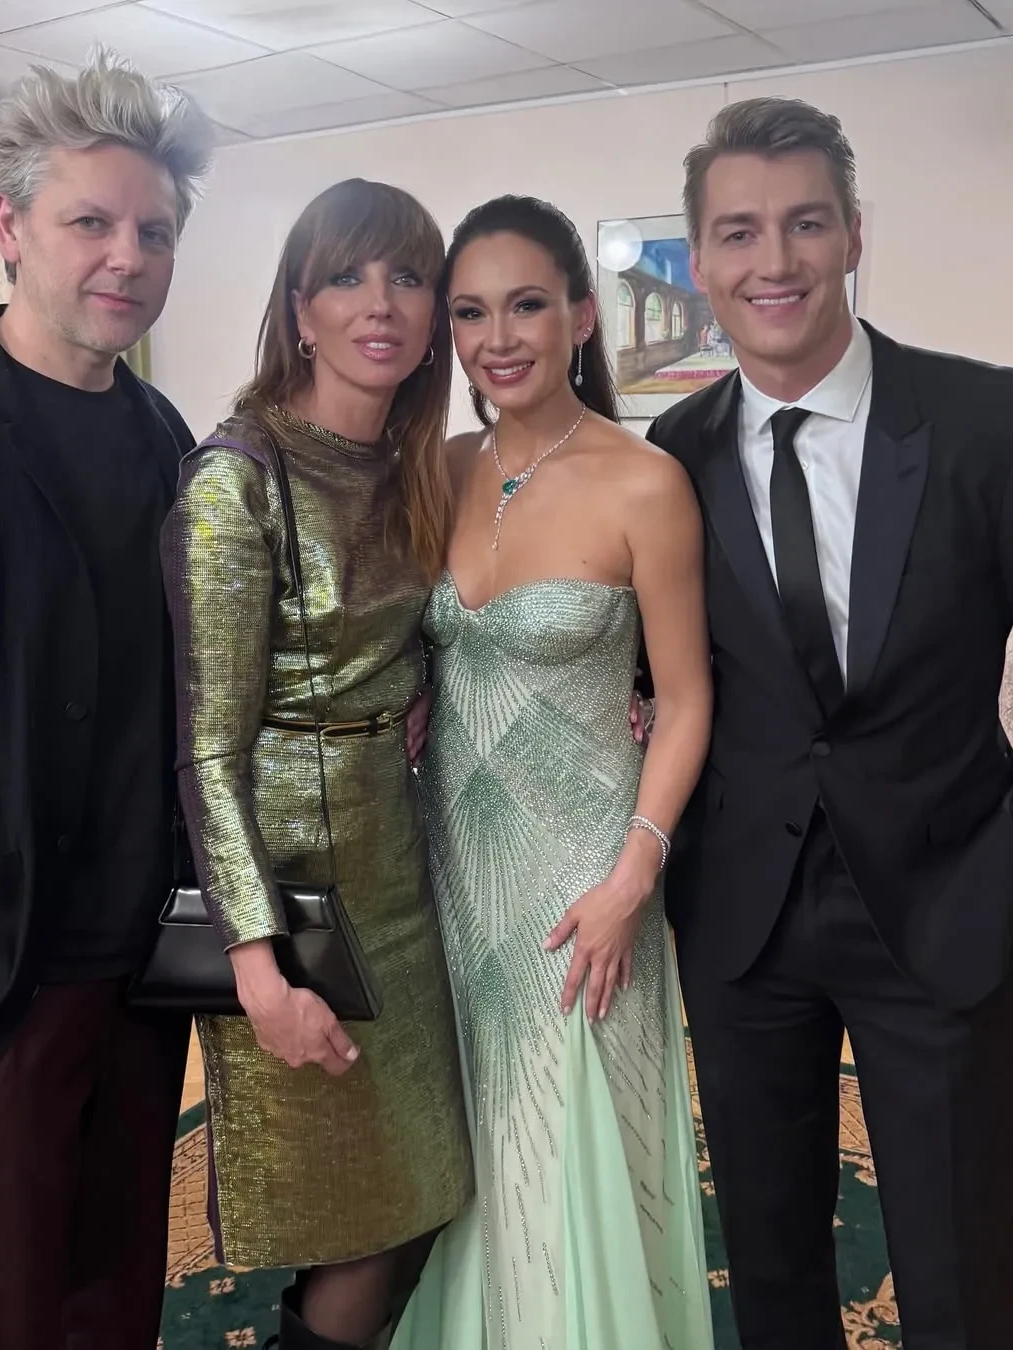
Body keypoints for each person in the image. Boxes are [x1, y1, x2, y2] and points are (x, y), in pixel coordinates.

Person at [646, 97, 1013, 1349]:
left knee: (964, 1272)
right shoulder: (672, 455)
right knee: (772, 1264)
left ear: (855, 235)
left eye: (806, 223)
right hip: (742, 917)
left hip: (947, 901)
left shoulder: (984, 423)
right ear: (701, 264)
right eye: (739, 232)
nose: (776, 260)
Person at [392, 196, 715, 1350]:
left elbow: (687, 700)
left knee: (569, 1153)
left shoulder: (645, 482)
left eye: (526, 304)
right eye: (470, 311)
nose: (498, 337)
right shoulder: (434, 469)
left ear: (581, 316)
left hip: (588, 878)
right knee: (477, 1155)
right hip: (452, 871)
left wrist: (634, 878)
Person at [161, 178, 473, 1350]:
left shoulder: (410, 463)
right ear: (301, 309)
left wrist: (423, 683)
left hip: (399, 874)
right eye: (347, 277)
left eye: (408, 277)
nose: (379, 303)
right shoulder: (237, 477)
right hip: (294, 901)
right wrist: (256, 968)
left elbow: (406, 630)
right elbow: (207, 752)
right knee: (358, 1221)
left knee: (424, 1189)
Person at [0, 52, 212, 1350]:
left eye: (153, 232)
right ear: (8, 226)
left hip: (140, 961)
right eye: (90, 221)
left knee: (114, 1299)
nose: (126, 257)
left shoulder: (166, 439)